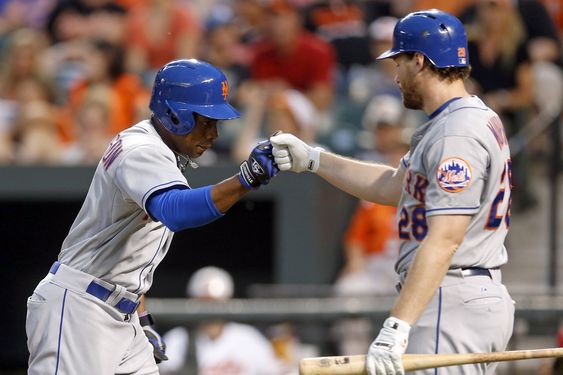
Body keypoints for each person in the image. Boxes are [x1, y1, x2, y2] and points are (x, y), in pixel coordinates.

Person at [271, 9, 515, 375]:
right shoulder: (458, 120)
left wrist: (398, 324)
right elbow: (392, 186)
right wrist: (315, 160)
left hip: (450, 296)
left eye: (398, 62)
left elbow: (445, 238)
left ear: (419, 60)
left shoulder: (457, 132)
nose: (395, 75)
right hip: (457, 295)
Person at [25, 59, 279, 375]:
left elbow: (131, 253)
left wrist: (141, 318)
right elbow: (176, 211)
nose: (214, 133)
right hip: (80, 310)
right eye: (205, 121)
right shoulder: (140, 149)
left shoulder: (160, 150)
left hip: (120, 312)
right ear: (175, 115)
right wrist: (246, 178)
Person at [159, 266, 287, 375]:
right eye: (205, 302)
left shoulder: (248, 337)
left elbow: (278, 371)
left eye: (217, 303)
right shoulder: (177, 339)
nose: (211, 309)